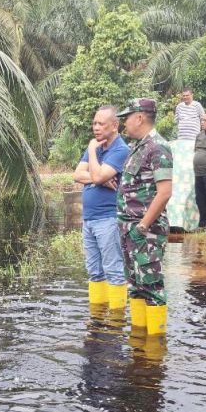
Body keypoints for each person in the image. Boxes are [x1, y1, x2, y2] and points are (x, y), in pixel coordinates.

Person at [116, 98, 173, 336]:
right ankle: (139, 342)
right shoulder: (138, 147)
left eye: (126, 118)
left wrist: (143, 225)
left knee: (151, 287)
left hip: (145, 231)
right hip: (130, 228)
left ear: (139, 117)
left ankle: (154, 350)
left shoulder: (158, 147)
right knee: (136, 286)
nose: (124, 124)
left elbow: (165, 192)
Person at [73, 105, 130, 310]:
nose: (96, 127)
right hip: (89, 218)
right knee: (94, 271)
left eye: (101, 124)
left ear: (114, 126)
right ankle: (97, 320)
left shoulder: (120, 149)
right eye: (94, 123)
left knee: (113, 270)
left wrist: (91, 151)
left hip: (108, 218)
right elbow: (77, 174)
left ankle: (115, 322)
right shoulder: (98, 148)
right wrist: (98, 180)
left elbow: (93, 175)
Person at [168, 89, 203, 231]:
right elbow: (176, 119)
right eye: (183, 96)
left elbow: (202, 118)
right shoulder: (179, 107)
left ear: (192, 96)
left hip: (193, 140)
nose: (185, 98)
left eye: (187, 96)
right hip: (181, 140)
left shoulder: (197, 105)